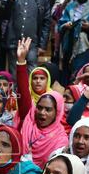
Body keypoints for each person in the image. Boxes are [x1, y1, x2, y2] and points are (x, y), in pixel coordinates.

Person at [15, 39, 68, 167]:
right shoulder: (29, 118)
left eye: (48, 109)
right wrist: (21, 61)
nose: (42, 113)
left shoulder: (60, 140)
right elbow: (23, 94)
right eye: (39, 108)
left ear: (57, 113)